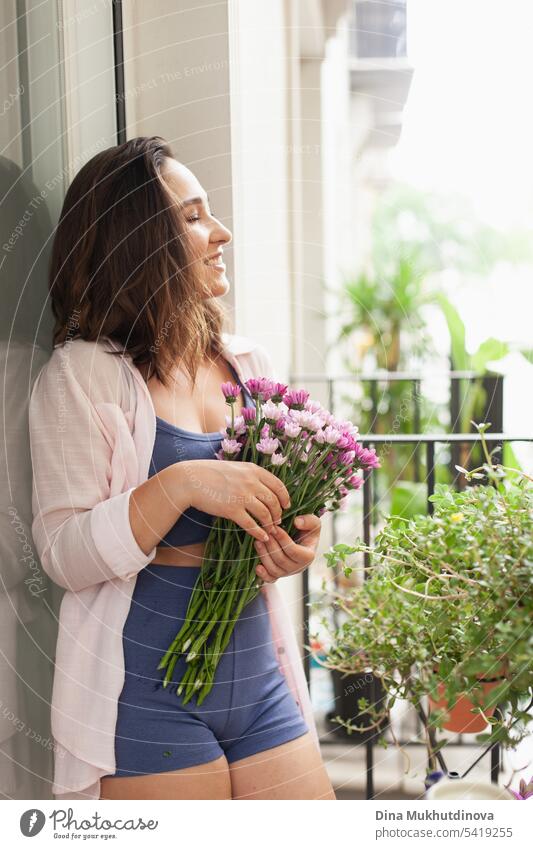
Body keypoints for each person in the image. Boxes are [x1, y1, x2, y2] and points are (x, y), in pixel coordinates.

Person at [29, 136, 336, 800]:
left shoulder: (245, 365)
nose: (219, 231)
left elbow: (271, 517)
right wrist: (183, 483)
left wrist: (290, 543)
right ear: (139, 240)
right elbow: (62, 553)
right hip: (143, 698)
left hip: (259, 681)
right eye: (193, 217)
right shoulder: (82, 375)